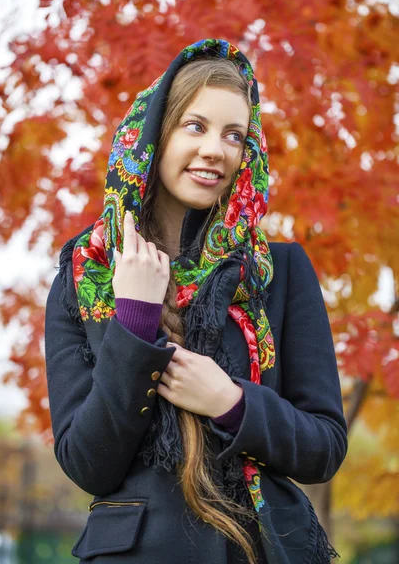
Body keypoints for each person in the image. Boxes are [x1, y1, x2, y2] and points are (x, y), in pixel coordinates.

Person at [45, 39, 348, 564]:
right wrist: (135, 322)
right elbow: (86, 462)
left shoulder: (279, 272)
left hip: (260, 549)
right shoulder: (84, 277)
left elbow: (324, 447)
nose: (217, 149)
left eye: (235, 134)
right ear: (153, 136)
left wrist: (232, 404)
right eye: (195, 126)